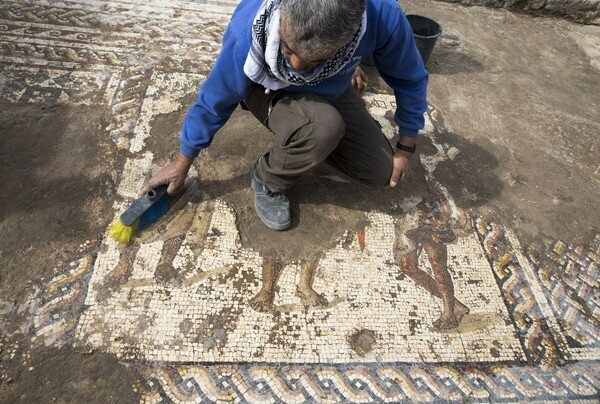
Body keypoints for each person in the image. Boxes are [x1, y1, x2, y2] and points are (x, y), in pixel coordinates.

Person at [141, 0, 428, 231]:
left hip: (334, 81)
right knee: (323, 128)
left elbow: (410, 77)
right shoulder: (251, 26)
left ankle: (321, 111)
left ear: (350, 39)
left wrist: (406, 146)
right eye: (288, 48)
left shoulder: (382, 15)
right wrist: (183, 160)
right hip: (264, 85)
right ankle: (268, 178)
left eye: (315, 59)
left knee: (379, 171)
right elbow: (215, 98)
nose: (295, 65)